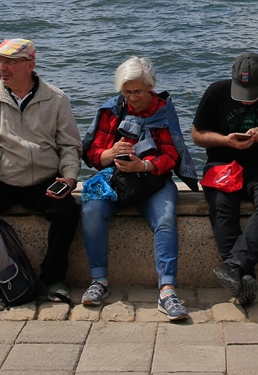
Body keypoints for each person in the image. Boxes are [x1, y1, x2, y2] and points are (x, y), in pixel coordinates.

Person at [0, 39, 82, 307]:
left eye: (12, 62)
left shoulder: (56, 99)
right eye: (0, 62)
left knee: (68, 212)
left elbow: (70, 146)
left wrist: (69, 178)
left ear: (31, 64)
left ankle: (53, 278)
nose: (3, 68)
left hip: (43, 180)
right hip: (0, 179)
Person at [79, 56, 198, 321]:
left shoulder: (163, 109)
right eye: (127, 91)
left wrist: (143, 165)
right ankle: (99, 280)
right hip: (116, 181)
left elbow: (171, 155)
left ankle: (167, 290)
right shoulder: (111, 110)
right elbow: (92, 154)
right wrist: (111, 153)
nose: (132, 97)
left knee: (166, 219)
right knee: (90, 210)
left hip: (154, 181)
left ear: (150, 87)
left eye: (138, 91)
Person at [192, 53, 258, 307]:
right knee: (221, 203)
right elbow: (197, 134)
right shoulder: (217, 92)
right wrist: (225, 140)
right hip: (223, 164)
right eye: (241, 92)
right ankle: (243, 274)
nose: (246, 101)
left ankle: (234, 267)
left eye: (252, 93)